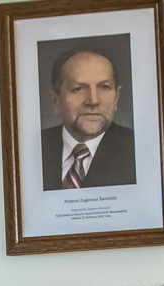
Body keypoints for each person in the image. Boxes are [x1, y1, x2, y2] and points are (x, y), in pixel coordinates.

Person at [40, 48, 136, 190]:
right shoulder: (34, 149)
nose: (93, 101)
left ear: (116, 98)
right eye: (78, 88)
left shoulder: (138, 149)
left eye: (104, 87)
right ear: (55, 101)